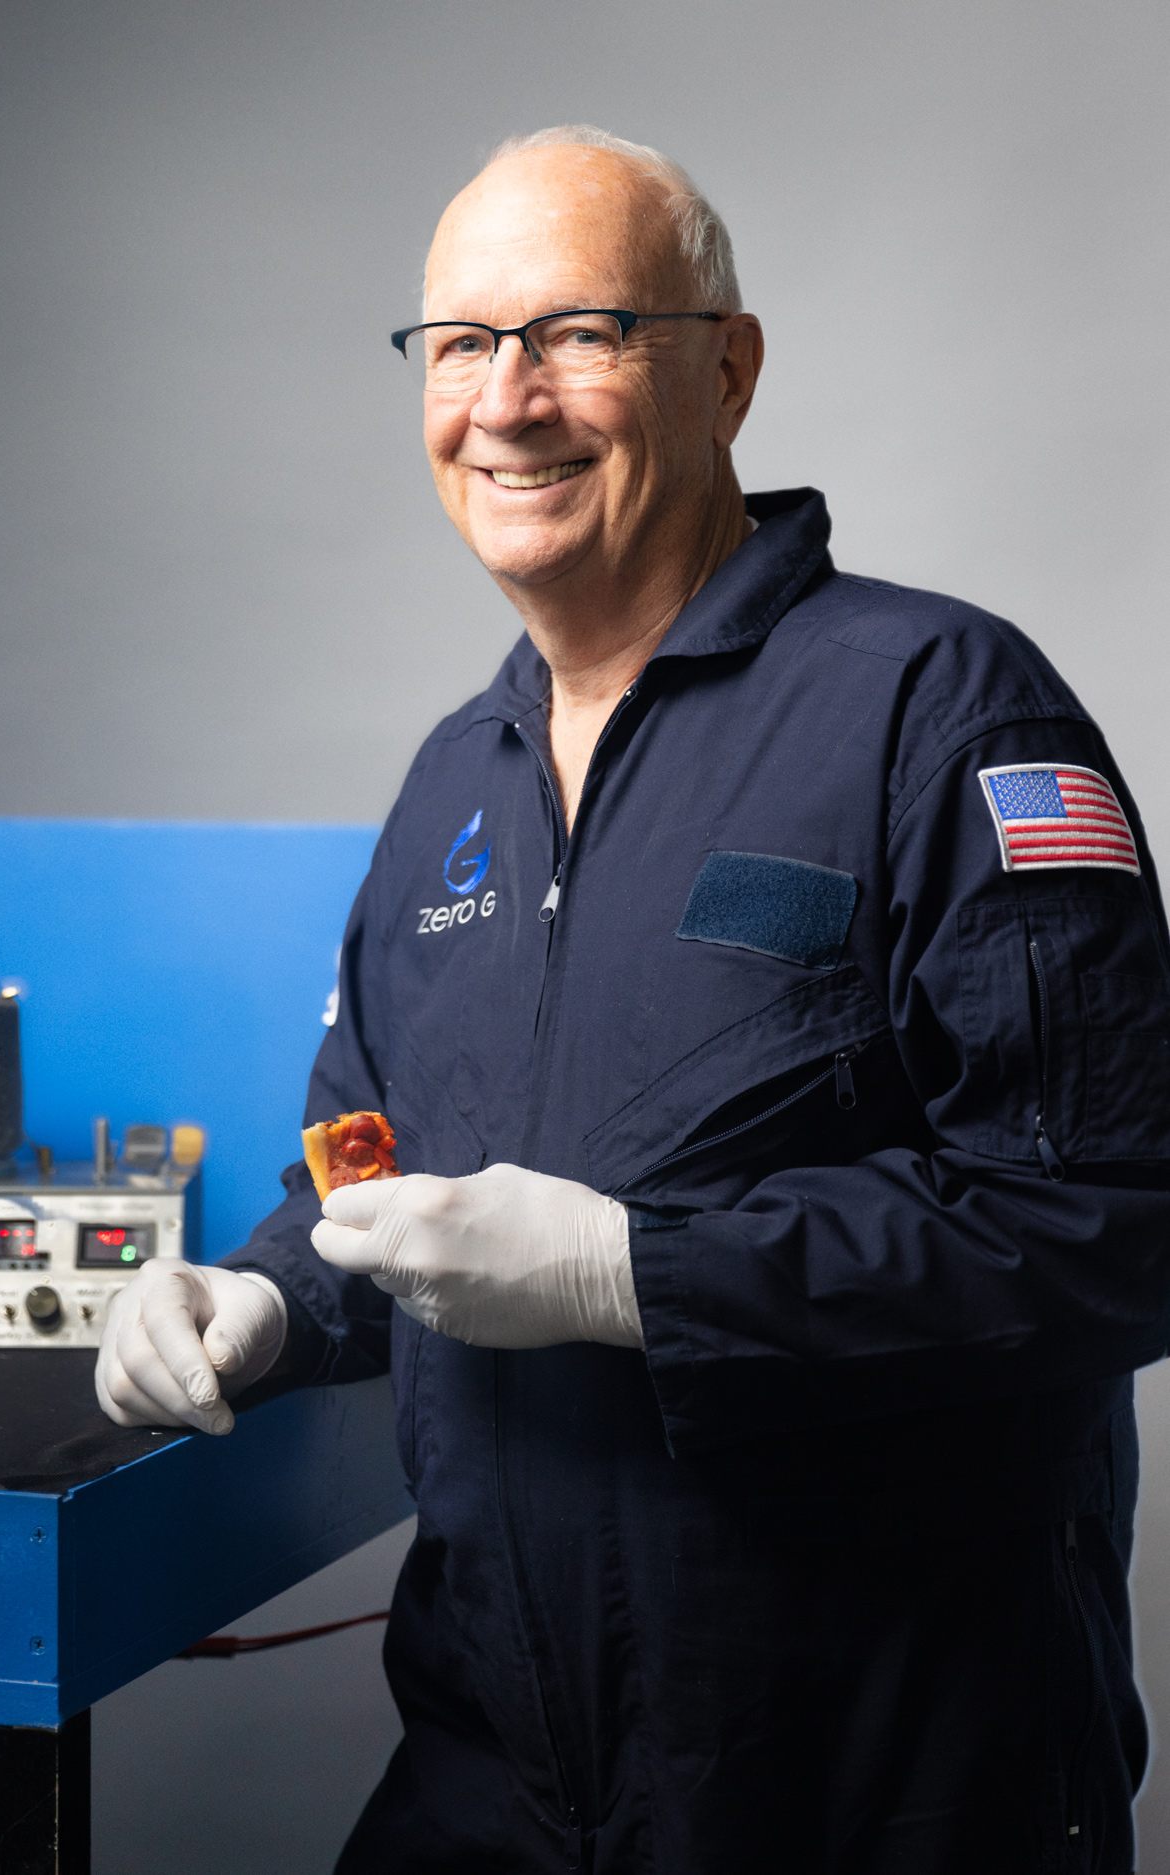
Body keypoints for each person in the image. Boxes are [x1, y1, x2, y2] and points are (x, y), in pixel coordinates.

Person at [96, 126, 1170, 1874]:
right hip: (496, 1781)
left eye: (579, 333)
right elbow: (362, 1180)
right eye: (459, 347)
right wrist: (263, 1301)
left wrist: (631, 1278)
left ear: (728, 372)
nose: (506, 400)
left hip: (875, 1789)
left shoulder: (943, 707)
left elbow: (1114, 1220)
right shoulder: (457, 780)